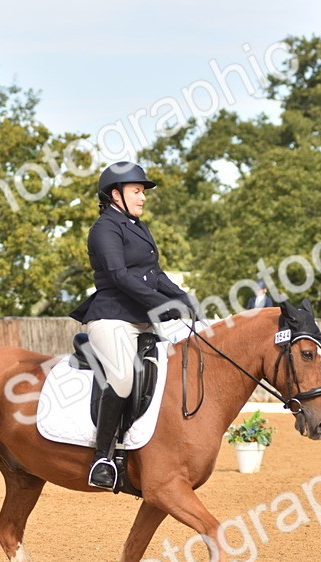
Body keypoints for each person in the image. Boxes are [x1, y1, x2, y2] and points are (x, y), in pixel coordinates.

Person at [69, 161, 197, 490]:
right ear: (116, 194)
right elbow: (119, 275)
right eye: (137, 191)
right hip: (111, 318)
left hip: (141, 320)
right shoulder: (104, 228)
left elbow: (154, 274)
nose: (143, 197)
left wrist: (183, 298)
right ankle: (103, 456)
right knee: (123, 377)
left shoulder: (137, 226)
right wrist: (159, 304)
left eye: (142, 192)